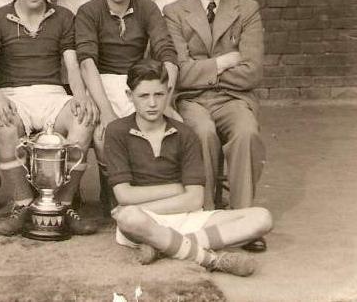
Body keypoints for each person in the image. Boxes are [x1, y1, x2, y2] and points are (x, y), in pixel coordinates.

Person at [105, 59, 272, 276]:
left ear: (169, 92)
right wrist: (176, 189)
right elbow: (124, 194)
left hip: (184, 216)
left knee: (262, 217)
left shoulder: (184, 133)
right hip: (144, 220)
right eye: (143, 96)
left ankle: (163, 246)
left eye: (159, 94)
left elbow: (195, 199)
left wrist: (144, 203)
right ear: (130, 96)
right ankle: (211, 259)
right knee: (128, 218)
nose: (152, 103)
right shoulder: (117, 131)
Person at [163, 0, 268, 252]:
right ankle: (206, 216)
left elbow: (252, 71)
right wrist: (223, 62)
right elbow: (178, 70)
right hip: (192, 101)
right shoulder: (174, 11)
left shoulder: (247, 9)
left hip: (234, 99)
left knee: (246, 132)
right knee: (202, 132)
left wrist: (201, 70)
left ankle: (243, 219)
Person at [0, 0, 98, 236]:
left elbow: (72, 63)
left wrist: (81, 96)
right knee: (3, 123)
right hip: (14, 94)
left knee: (83, 119)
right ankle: (22, 204)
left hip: (52, 93)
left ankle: (63, 205)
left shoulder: (63, 16)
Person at [75, 0, 179, 167]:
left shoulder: (148, 8)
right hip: (100, 82)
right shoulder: (89, 11)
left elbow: (167, 54)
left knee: (172, 130)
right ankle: (111, 193)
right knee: (104, 136)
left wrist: (166, 101)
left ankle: (152, 192)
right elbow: (86, 63)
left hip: (137, 81)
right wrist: (106, 112)